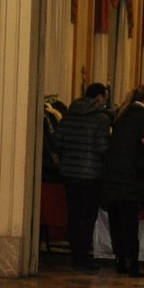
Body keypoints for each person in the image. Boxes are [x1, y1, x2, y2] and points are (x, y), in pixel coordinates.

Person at [101, 84, 144, 278]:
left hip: (112, 178)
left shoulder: (120, 116)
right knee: (130, 223)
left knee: (116, 221)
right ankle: (132, 263)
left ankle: (119, 260)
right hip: (131, 179)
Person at [55, 81, 112, 270]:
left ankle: (74, 255)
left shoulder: (68, 116)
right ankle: (82, 256)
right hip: (92, 174)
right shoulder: (101, 119)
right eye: (105, 98)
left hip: (70, 173)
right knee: (87, 216)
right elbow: (103, 147)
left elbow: (57, 142)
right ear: (99, 97)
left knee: (73, 214)